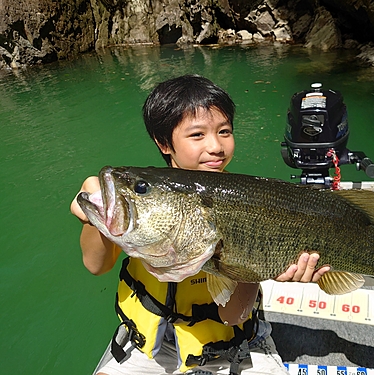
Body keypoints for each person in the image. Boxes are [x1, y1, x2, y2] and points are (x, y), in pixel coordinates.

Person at [70, 74, 330, 375]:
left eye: (224, 131)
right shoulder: (147, 206)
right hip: (147, 348)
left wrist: (254, 267)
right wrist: (94, 214)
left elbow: (233, 315)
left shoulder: (249, 203)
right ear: (164, 143)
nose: (216, 146)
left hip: (234, 349)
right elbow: (95, 265)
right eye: (197, 135)